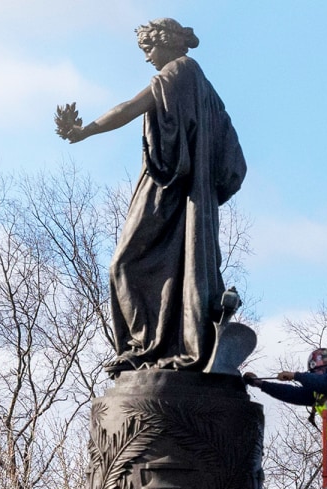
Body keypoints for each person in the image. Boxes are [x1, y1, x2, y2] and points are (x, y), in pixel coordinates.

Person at [59, 18, 246, 373]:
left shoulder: (180, 72)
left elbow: (131, 107)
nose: (147, 58)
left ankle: (144, 346)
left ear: (169, 43)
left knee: (124, 263)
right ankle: (157, 345)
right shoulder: (202, 85)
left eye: (149, 48)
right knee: (168, 267)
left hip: (172, 191)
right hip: (183, 192)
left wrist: (86, 131)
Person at [244, 348, 327, 476]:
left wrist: (296, 376)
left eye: (315, 373)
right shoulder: (321, 391)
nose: (314, 377)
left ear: (324, 368)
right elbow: (292, 393)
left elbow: (325, 382)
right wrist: (261, 384)